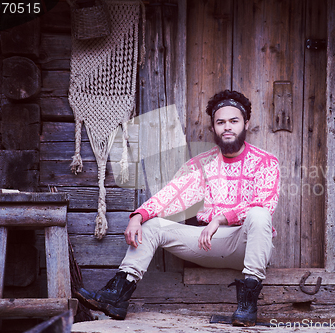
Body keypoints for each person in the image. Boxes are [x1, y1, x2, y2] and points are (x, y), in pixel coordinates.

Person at [76, 90, 281, 326]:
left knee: (259, 214)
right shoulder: (201, 164)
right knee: (152, 225)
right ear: (213, 127)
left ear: (246, 123)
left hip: (246, 245)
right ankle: (118, 295)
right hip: (209, 244)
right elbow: (171, 196)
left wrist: (221, 219)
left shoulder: (266, 161)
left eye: (234, 121)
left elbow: (265, 203)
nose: (227, 127)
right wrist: (139, 215)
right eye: (220, 122)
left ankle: (247, 306)